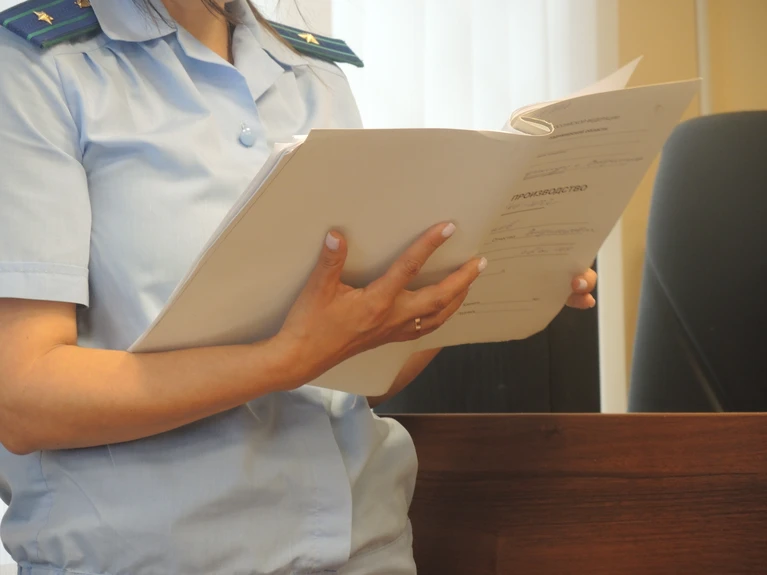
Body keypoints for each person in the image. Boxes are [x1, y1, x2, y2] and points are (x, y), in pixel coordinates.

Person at [0, 0, 598, 573]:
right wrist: (284, 359)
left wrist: (488, 274)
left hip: (368, 548)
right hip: (153, 559)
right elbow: (23, 400)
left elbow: (358, 377)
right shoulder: (33, 66)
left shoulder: (315, 74)